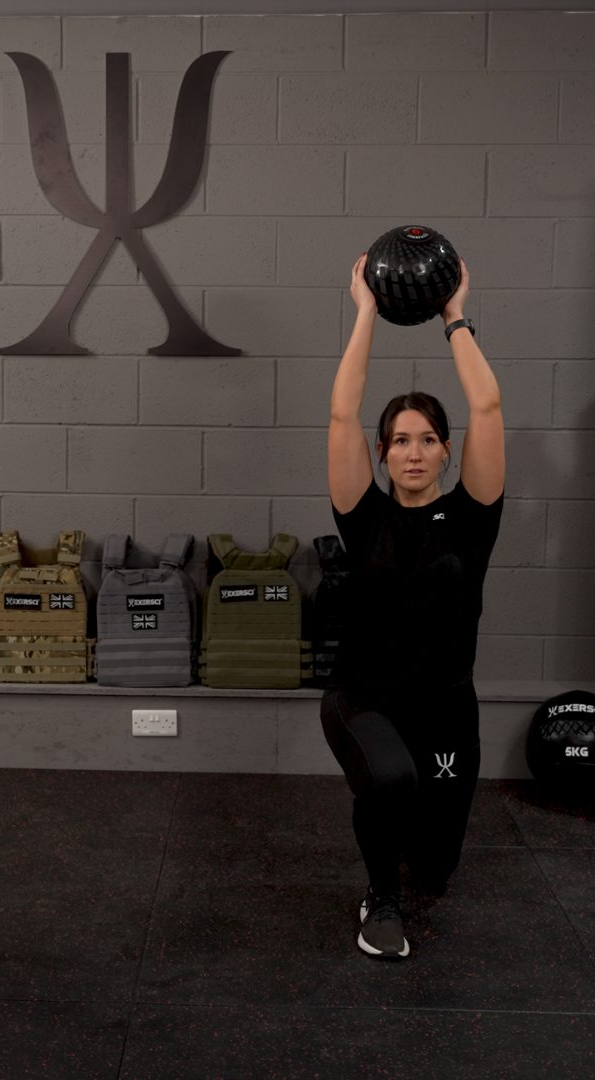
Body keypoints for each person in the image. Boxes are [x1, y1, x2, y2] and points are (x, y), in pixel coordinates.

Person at [322, 253, 505, 959]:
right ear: (383, 452)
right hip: (362, 696)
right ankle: (379, 898)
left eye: (428, 440)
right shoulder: (361, 515)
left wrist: (454, 315)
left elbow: (486, 405)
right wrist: (366, 308)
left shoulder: (473, 518)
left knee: (437, 866)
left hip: (447, 707)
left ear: (448, 452)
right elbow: (342, 409)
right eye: (400, 441)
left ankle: (411, 871)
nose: (414, 452)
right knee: (390, 780)